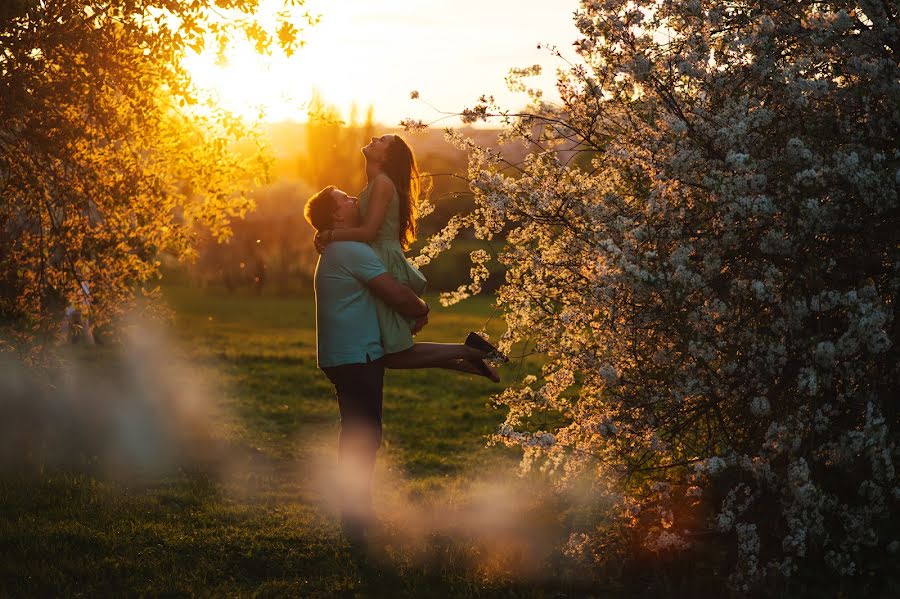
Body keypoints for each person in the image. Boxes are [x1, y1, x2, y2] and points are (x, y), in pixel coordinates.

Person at [304, 186, 500, 539]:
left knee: (385, 381)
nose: (353, 200)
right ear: (336, 215)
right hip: (354, 354)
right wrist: (420, 309)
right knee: (363, 436)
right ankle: (356, 519)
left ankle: (468, 354)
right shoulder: (350, 249)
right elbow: (393, 292)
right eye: (345, 199)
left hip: (348, 353)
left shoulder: (338, 247)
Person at [314, 134, 506, 379]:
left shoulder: (383, 183)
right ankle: (469, 358)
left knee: (394, 354)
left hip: (383, 259)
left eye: (382, 141)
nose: (374, 137)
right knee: (391, 352)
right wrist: (322, 232)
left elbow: (367, 231)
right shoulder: (374, 185)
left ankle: (469, 351)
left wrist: (329, 235)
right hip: (376, 256)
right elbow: (352, 225)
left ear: (386, 157)